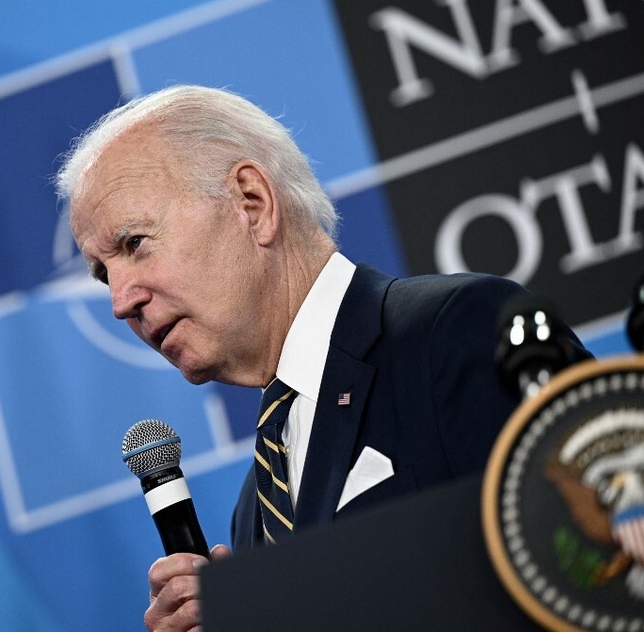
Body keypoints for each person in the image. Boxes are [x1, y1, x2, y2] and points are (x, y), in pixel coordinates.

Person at [55, 85, 588, 632]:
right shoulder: (255, 513)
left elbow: (593, 575)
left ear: (251, 203)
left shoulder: (455, 332)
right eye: (104, 275)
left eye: (135, 244)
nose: (121, 302)